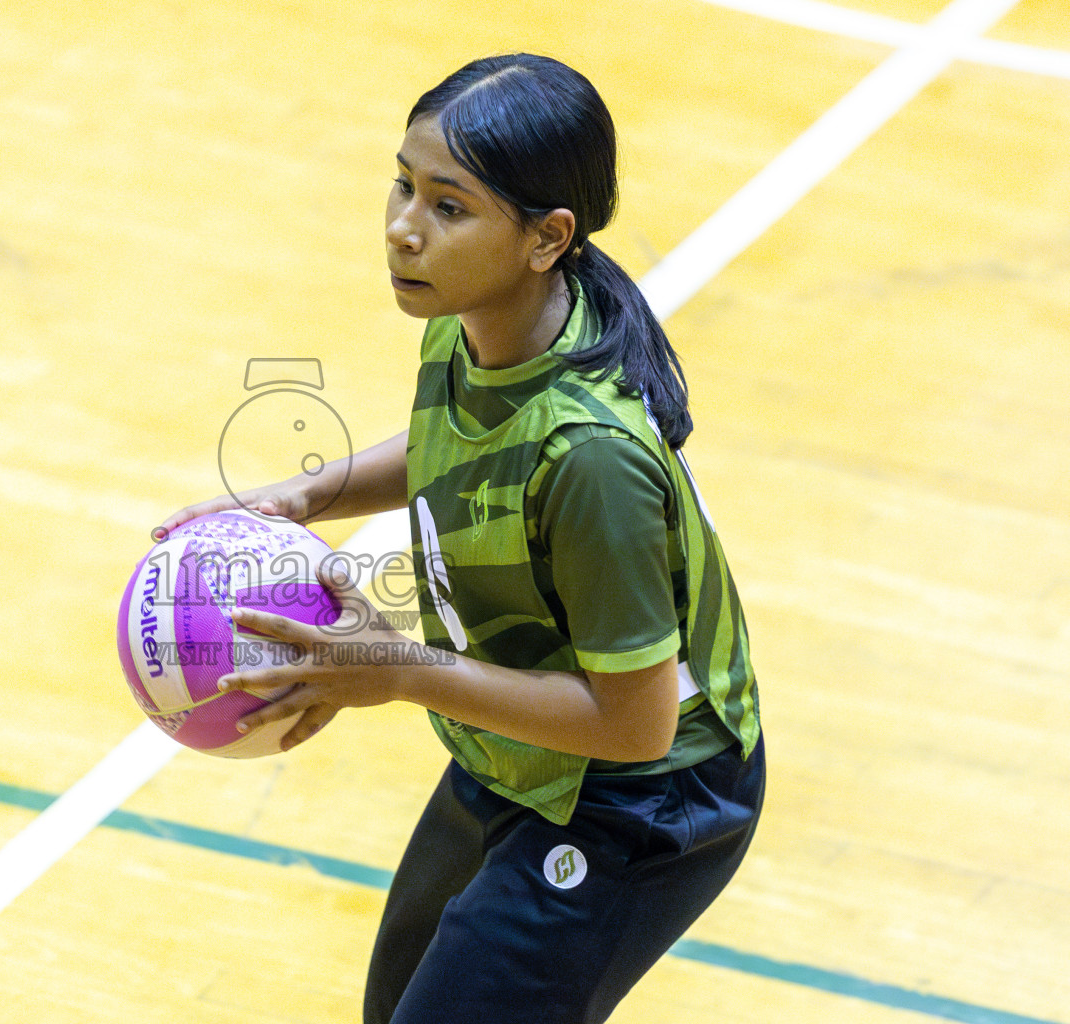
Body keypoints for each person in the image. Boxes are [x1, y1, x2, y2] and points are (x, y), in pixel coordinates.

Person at [154, 52, 763, 1024]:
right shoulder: (477, 319)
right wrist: (306, 496)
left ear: (547, 237)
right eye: (403, 185)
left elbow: (635, 723)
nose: (404, 226)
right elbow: (459, 443)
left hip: (642, 798)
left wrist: (398, 668)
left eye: (448, 206)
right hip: (519, 746)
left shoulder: (591, 459)